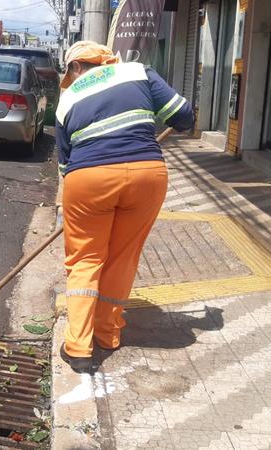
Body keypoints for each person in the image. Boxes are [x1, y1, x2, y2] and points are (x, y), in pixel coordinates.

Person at [55, 41, 194, 373]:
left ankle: (78, 348)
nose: (69, 80)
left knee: (86, 260)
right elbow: (184, 116)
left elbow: (65, 166)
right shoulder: (138, 72)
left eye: (69, 73)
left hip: (88, 180)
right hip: (147, 175)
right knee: (122, 257)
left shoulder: (67, 101)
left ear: (77, 68)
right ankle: (107, 335)